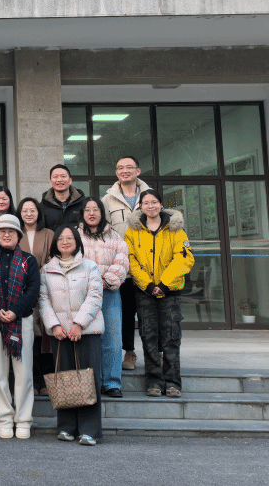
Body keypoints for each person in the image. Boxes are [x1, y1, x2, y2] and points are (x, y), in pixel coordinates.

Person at [124, 189, 194, 398]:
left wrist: (164, 284)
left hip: (170, 292)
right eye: (146, 203)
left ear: (161, 204)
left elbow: (184, 258)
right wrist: (147, 285)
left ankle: (173, 383)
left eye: (154, 202)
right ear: (141, 207)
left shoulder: (175, 229)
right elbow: (130, 259)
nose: (151, 206)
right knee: (149, 336)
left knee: (171, 337)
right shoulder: (132, 231)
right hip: (144, 293)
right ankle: (154, 381)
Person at [39, 226, 104, 446]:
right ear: (55, 243)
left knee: (88, 380)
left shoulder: (90, 266)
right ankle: (66, 427)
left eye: (70, 238)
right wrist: (54, 325)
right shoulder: (47, 270)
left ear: (77, 241)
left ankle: (89, 430)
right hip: (60, 334)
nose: (65, 242)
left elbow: (95, 296)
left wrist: (79, 324)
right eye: (61, 239)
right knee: (65, 380)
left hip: (87, 331)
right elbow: (43, 300)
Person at [0, 214, 40, 439]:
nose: (6, 235)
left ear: (18, 235)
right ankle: (4, 418)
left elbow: (33, 290)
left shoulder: (28, 260)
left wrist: (15, 310)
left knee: (24, 374)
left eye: (11, 231)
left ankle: (23, 419)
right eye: (2, 231)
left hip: (22, 320)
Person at [102, 155, 151, 372]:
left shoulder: (149, 196)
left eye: (129, 167)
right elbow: (105, 232)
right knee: (126, 313)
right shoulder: (108, 200)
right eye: (120, 167)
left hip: (148, 267)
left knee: (149, 314)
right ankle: (129, 351)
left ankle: (155, 353)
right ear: (116, 173)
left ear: (138, 171)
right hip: (123, 268)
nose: (125, 171)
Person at [77, 197, 129, 398]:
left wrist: (105, 282)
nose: (91, 213)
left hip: (109, 293)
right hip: (84, 295)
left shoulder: (115, 236)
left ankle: (112, 382)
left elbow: (122, 262)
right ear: (82, 213)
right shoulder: (75, 235)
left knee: (112, 339)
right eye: (87, 210)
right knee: (89, 339)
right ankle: (93, 382)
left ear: (102, 212)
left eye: (95, 209)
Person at [17, 196, 54, 395]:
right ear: (19, 213)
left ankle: (46, 382)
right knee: (30, 337)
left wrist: (36, 274)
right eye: (25, 210)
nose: (29, 214)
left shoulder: (48, 234)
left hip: (46, 290)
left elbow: (52, 259)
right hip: (22, 292)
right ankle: (33, 380)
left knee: (46, 336)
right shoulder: (15, 234)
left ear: (38, 213)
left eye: (32, 210)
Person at [40, 164, 85, 232]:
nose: (59, 180)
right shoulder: (42, 207)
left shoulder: (84, 204)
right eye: (55, 177)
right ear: (51, 181)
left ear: (70, 180)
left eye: (63, 176)